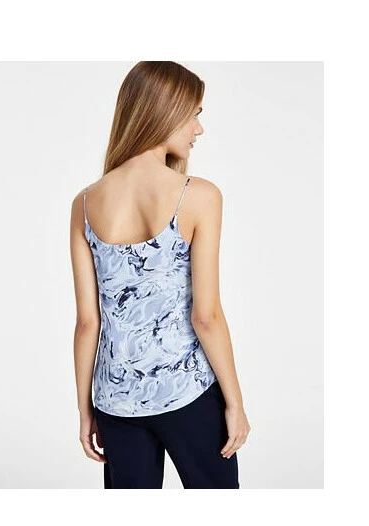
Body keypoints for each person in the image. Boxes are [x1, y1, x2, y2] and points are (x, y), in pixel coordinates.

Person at [70, 61, 250, 489]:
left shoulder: (85, 203)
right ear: (164, 112)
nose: (199, 129)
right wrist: (235, 402)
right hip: (189, 393)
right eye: (194, 114)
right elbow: (205, 316)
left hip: (115, 401)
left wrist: (85, 409)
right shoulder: (199, 196)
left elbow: (87, 322)